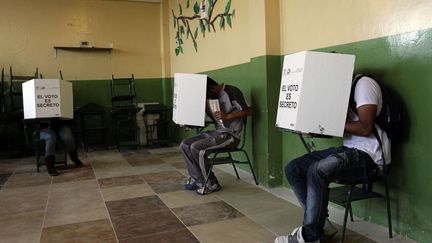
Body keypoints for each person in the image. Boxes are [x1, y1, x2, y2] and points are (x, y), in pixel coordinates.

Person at [275, 75, 391, 243]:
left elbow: (366, 127)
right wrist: (313, 127)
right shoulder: (340, 91)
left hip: (370, 158)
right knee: (294, 168)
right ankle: (322, 225)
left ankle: (310, 236)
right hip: (350, 151)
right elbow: (337, 127)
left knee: (318, 170)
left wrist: (330, 122)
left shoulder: (364, 85)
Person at [180, 77, 253, 195]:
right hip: (218, 132)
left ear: (212, 87)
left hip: (230, 135)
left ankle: (210, 184)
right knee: (185, 144)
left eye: (208, 94)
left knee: (196, 148)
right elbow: (212, 119)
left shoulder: (231, 91)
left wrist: (227, 117)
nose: (208, 97)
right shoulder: (212, 99)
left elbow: (249, 111)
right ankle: (198, 180)